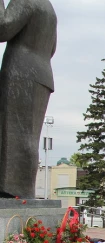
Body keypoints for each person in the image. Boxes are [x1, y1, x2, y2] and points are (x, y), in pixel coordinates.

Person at [0, 0, 57, 199]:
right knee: (27, 137)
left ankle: (11, 189)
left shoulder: (25, 0)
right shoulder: (48, 8)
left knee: (12, 133)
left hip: (20, 71)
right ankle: (21, 189)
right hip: (42, 72)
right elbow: (52, 48)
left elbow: (3, 28)